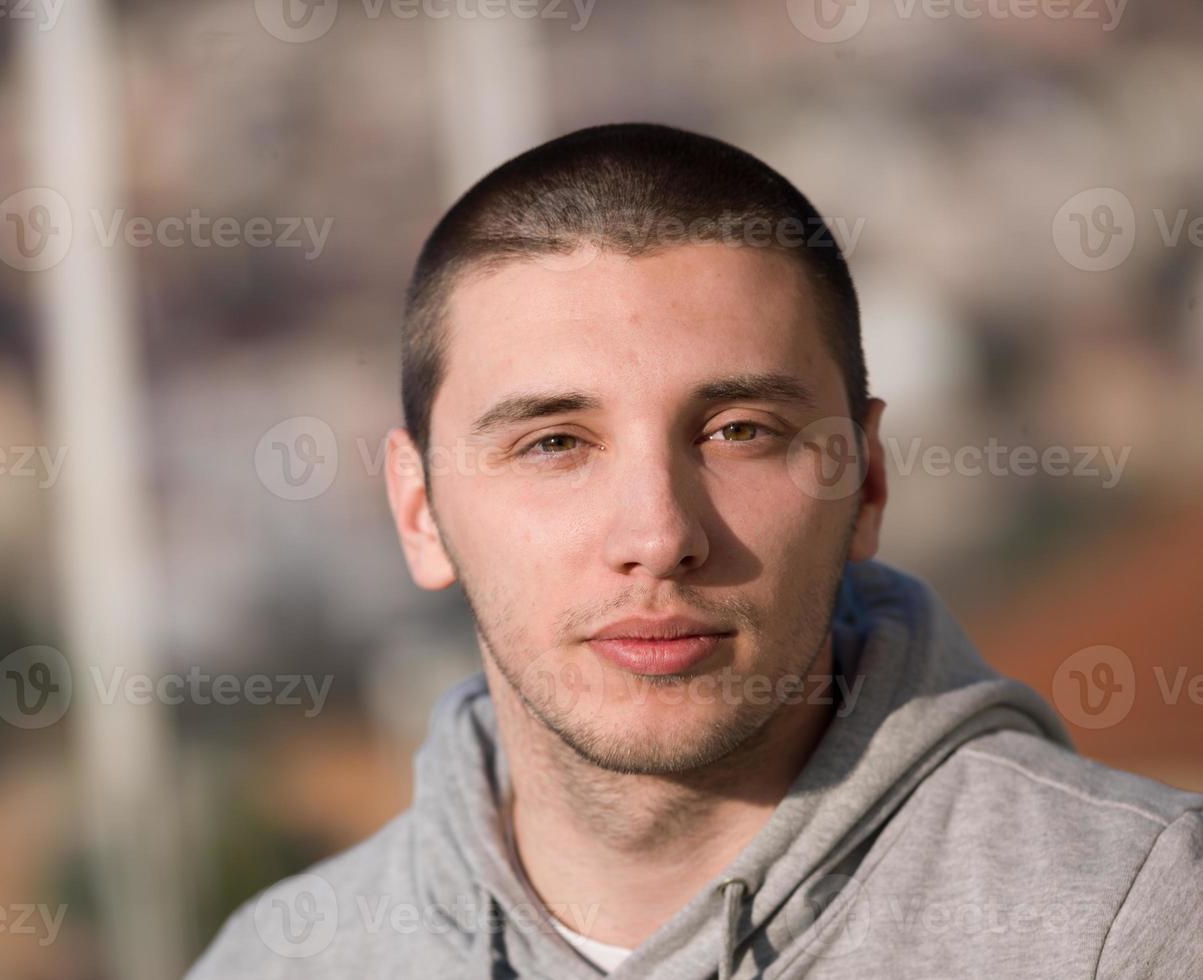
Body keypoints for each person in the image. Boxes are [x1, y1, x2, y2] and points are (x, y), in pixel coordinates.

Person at [187, 123, 1203, 979]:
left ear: (867, 482)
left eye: (739, 431)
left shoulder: (1134, 921)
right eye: (552, 443)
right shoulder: (277, 958)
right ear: (419, 513)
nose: (658, 536)